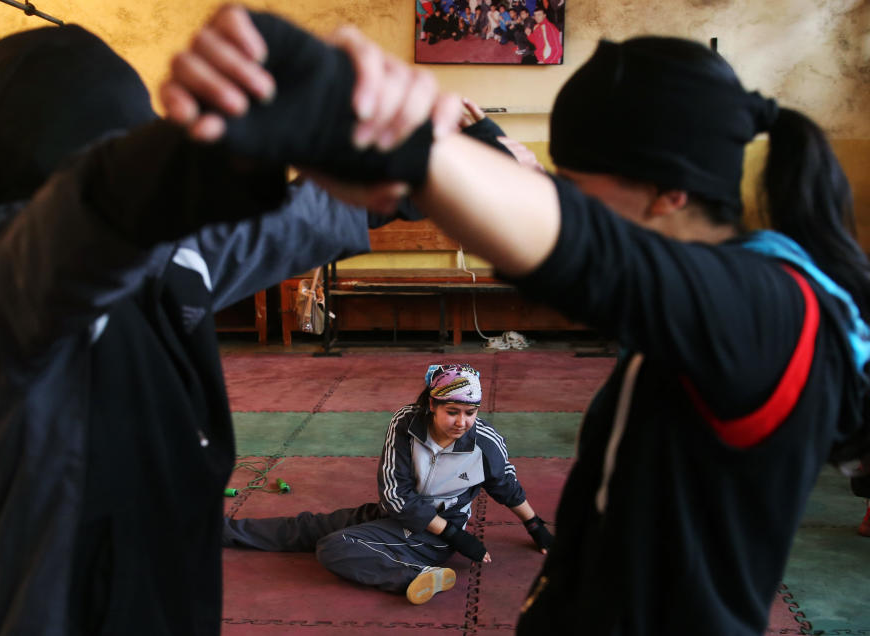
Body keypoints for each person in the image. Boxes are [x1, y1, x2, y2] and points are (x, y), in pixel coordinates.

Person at [166, 10, 870, 636]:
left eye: (582, 183)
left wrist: (399, 140)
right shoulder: (761, 297)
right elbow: (576, 221)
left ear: (670, 192)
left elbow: (579, 248)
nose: (567, 199)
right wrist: (489, 144)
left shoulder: (767, 311)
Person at [0, 9, 459, 635]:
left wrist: (436, 170)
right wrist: (243, 127)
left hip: (173, 590)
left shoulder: (169, 252)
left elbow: (283, 226)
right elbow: (90, 215)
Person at [221, 364, 554, 604]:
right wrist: (459, 538)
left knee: (334, 547)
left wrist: (536, 527)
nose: (462, 422)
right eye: (453, 411)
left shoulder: (484, 441)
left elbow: (506, 486)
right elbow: (395, 496)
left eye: (471, 412)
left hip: (434, 534)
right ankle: (218, 531)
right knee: (309, 527)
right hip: (397, 514)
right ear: (432, 405)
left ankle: (416, 575)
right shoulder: (406, 423)